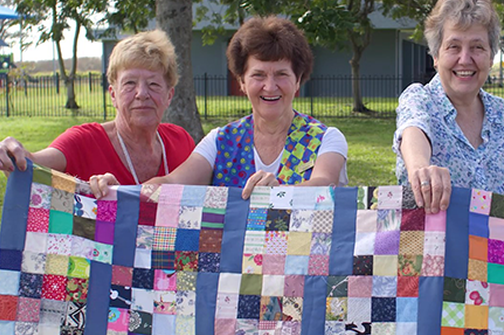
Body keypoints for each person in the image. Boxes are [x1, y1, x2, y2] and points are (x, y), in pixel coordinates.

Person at [89, 16, 347, 199]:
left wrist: (279, 193)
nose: (270, 87)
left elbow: (324, 184)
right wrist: (120, 192)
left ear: (298, 80)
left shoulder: (326, 139)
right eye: (258, 75)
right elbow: (172, 183)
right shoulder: (220, 141)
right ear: (242, 82)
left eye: (281, 74)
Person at [0, 30, 196, 183]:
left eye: (153, 84)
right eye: (129, 83)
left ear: (169, 95)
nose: (141, 94)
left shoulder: (182, 142)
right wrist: (13, 155)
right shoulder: (83, 141)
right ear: (113, 95)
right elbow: (33, 167)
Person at [394, 0, 504, 214]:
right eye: (453, 47)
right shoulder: (419, 99)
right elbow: (413, 130)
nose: (465, 59)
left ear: (491, 57)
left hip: (495, 238)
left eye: (477, 47)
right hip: (431, 237)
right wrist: (421, 169)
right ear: (436, 56)